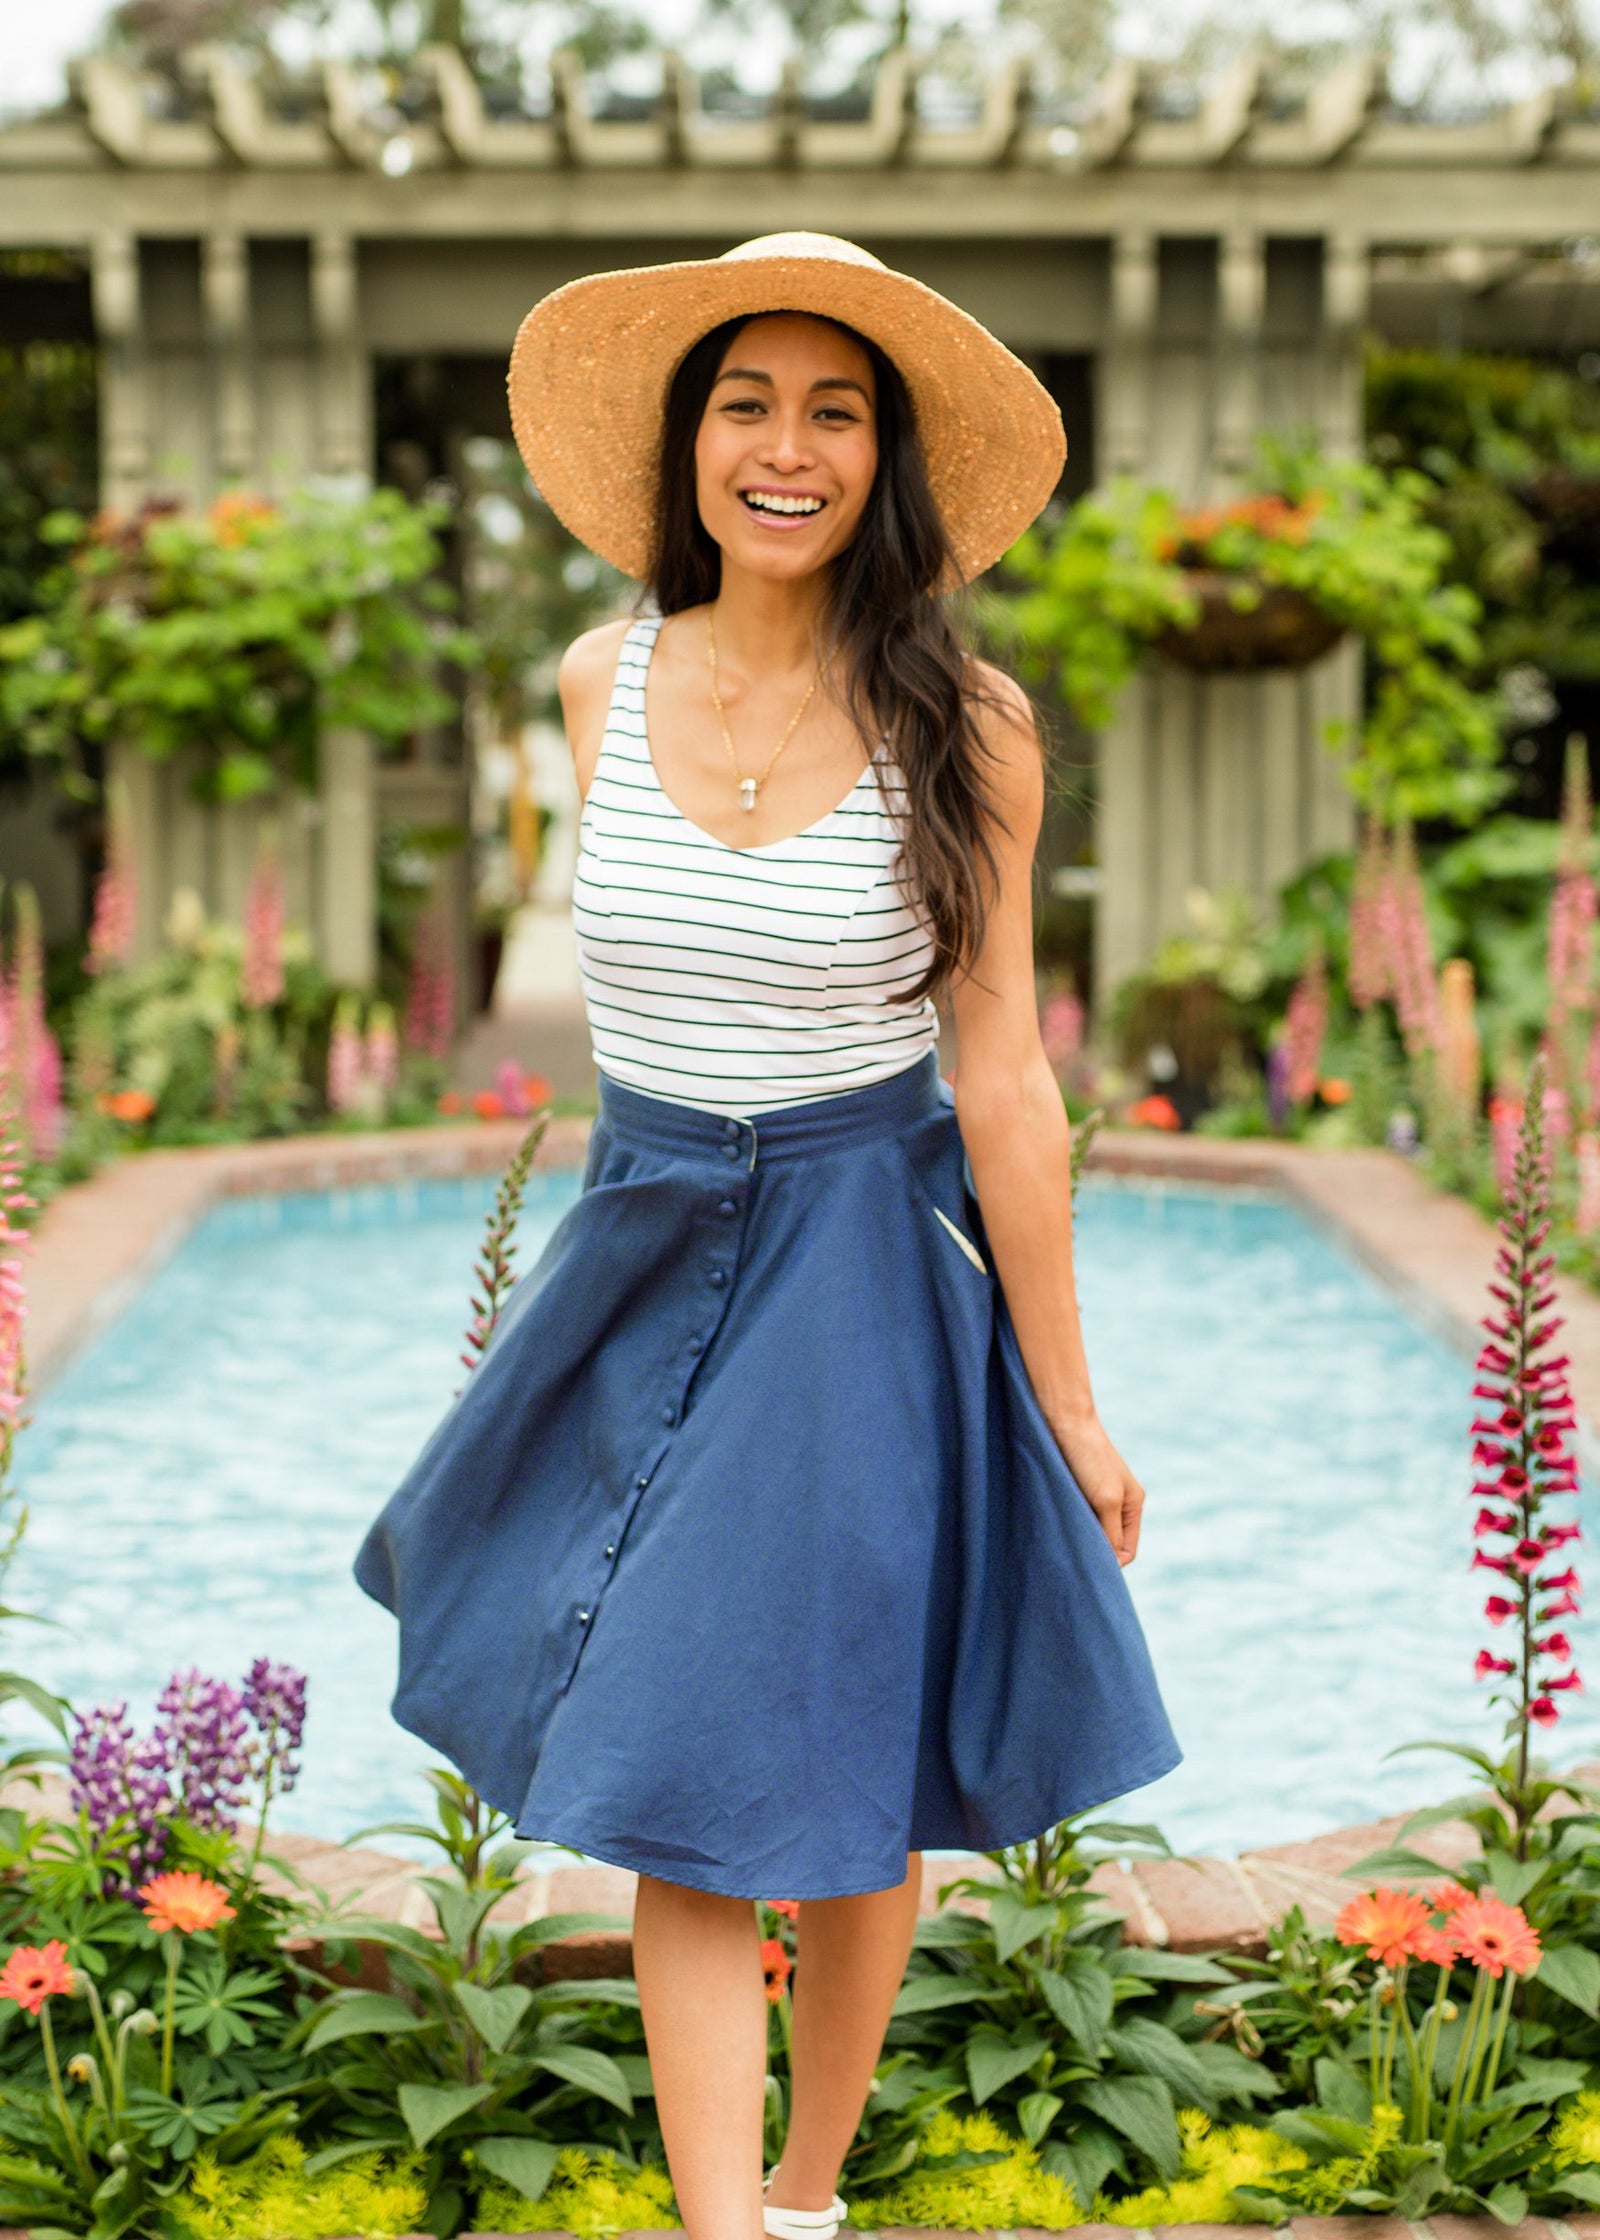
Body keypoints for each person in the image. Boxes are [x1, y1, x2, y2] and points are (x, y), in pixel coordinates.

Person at [355, 231, 1182, 2240]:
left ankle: (795, 2194)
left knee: (823, 1748)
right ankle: (743, 2225)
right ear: (687, 442)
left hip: (851, 1278)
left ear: (883, 459)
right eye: (747, 405)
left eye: (833, 412)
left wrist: (1066, 1405)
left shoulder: (961, 727)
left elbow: (1001, 1077)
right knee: (685, 1746)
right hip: (638, 1254)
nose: (784, 449)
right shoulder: (593, 678)